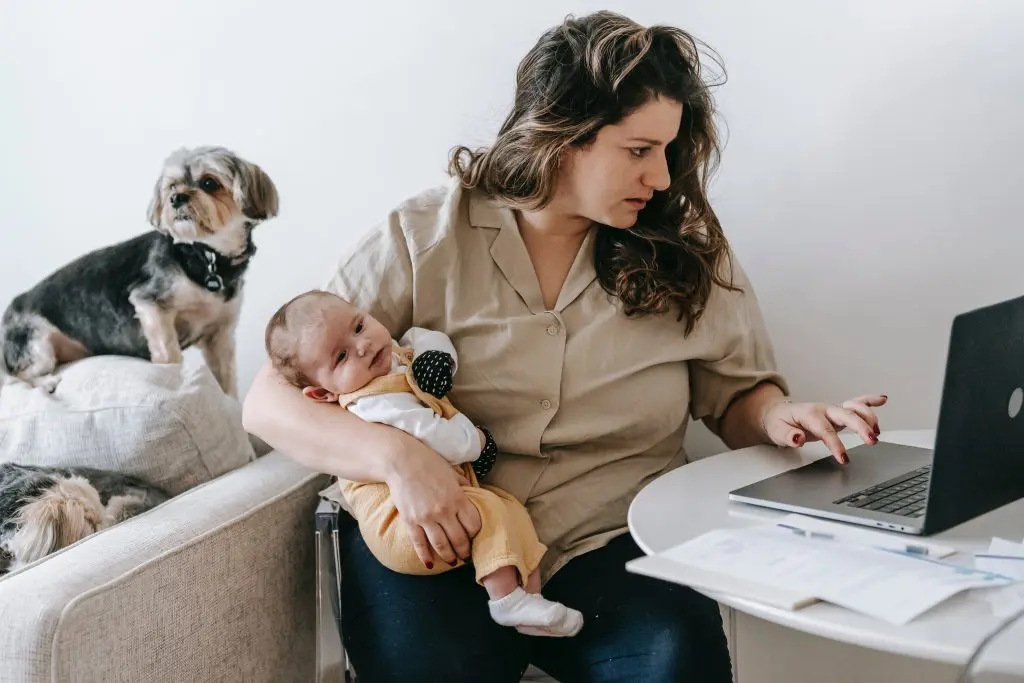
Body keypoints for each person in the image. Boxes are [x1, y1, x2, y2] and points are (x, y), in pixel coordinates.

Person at [243, 10, 886, 682]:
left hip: (612, 538)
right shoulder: (425, 234)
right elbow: (267, 401)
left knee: (678, 662)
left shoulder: (685, 243)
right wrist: (398, 455)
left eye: (667, 150)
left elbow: (735, 394)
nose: (663, 177)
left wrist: (778, 417)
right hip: (440, 534)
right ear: (561, 135)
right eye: (639, 151)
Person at [262, 289, 583, 637]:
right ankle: (505, 600)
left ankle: (529, 600)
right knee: (492, 511)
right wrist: (477, 443)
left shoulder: (393, 357)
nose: (363, 346)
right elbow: (435, 435)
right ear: (323, 394)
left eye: (359, 326)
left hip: (441, 502)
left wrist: (437, 359)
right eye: (341, 356)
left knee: (510, 510)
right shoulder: (372, 402)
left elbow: (422, 337)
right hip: (404, 526)